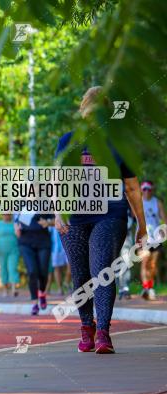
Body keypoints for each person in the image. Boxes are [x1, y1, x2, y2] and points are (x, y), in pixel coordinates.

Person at [54, 86, 147, 353]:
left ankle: (103, 331)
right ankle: (87, 327)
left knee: (102, 271)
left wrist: (142, 224)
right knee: (81, 276)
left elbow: (131, 187)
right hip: (74, 218)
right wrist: (59, 213)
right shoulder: (68, 141)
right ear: (83, 111)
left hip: (110, 215)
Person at [15, 212, 54, 315]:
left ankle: (42, 292)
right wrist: (16, 228)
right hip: (25, 243)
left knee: (43, 271)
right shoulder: (21, 204)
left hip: (43, 242)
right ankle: (34, 303)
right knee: (32, 271)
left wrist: (48, 222)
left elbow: (56, 220)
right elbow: (16, 220)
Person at [139, 181, 166, 300]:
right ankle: (147, 288)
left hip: (156, 238)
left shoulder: (157, 202)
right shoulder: (138, 202)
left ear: (152, 190)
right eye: (144, 189)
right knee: (145, 263)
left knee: (153, 265)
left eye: (148, 189)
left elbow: (164, 219)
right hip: (143, 237)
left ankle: (150, 286)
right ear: (141, 190)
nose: (146, 192)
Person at [0, 213, 20, 297]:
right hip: (1, 251)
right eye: (5, 214)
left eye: (8, 214)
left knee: (12, 268)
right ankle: (5, 289)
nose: (7, 216)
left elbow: (19, 235)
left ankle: (14, 288)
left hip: (14, 250)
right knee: (3, 269)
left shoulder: (15, 224)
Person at [48, 225, 69, 296]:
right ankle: (60, 288)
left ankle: (66, 282)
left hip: (67, 244)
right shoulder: (49, 215)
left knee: (71, 265)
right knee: (57, 268)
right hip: (55, 247)